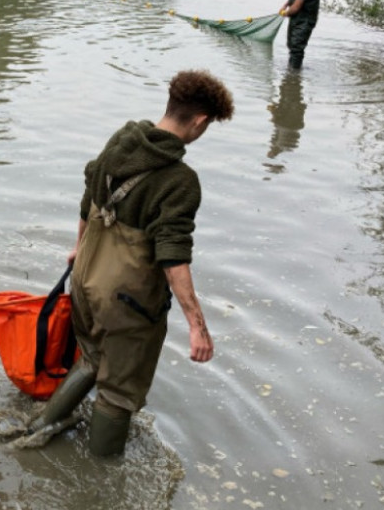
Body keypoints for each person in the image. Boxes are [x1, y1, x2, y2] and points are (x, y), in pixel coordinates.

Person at [28, 69, 235, 456]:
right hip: (127, 299)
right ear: (201, 120)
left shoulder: (123, 139)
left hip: (86, 276)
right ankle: (100, 477)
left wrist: (79, 249)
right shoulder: (179, 180)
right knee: (119, 392)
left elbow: (89, 199)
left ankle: (40, 426)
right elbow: (172, 255)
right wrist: (197, 326)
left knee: (92, 356)